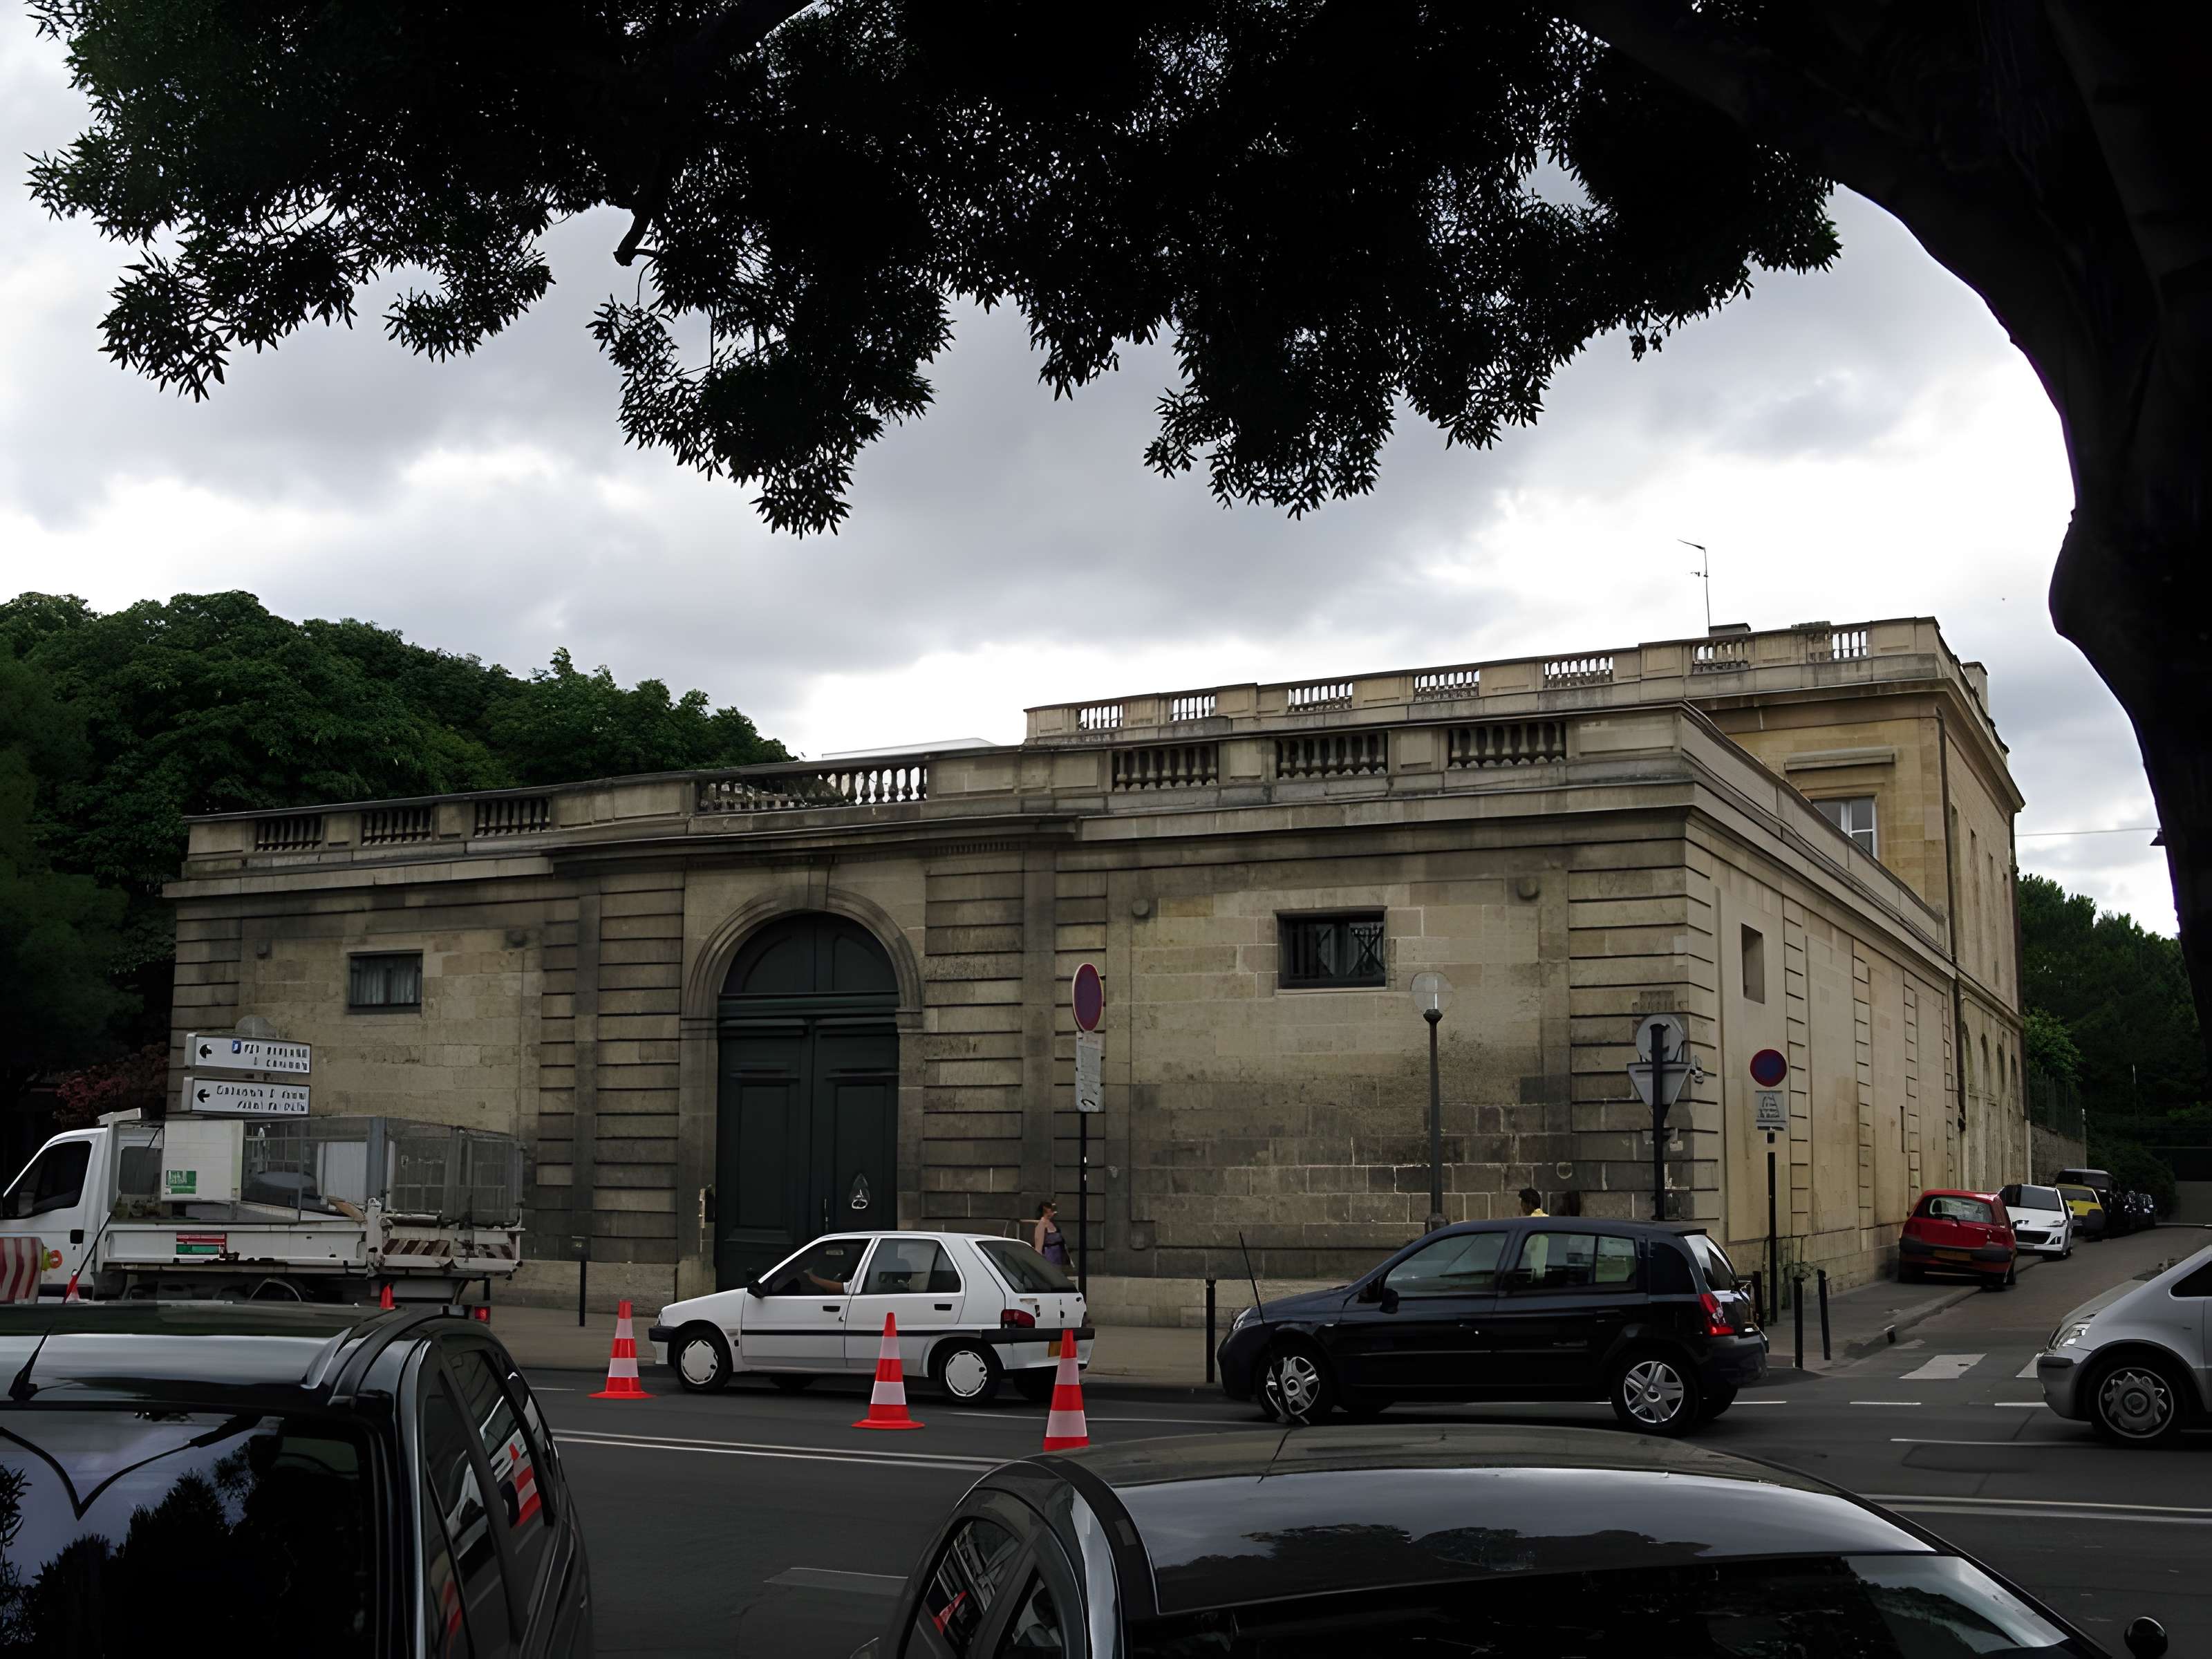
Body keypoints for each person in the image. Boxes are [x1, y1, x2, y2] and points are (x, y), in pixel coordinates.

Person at [1032, 1199, 1071, 1268]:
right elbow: (1038, 1249)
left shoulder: (1053, 1224)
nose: (1055, 1212)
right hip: (1049, 1256)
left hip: (1058, 1256)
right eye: (1052, 1210)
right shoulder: (1041, 1225)